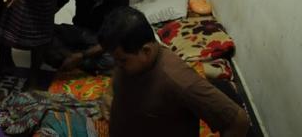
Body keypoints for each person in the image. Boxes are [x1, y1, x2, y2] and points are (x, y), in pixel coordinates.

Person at [98, 7, 250, 137]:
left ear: (146, 51)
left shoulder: (178, 80)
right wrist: (110, 93)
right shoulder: (130, 59)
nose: (117, 65)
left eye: (122, 61)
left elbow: (238, 121)